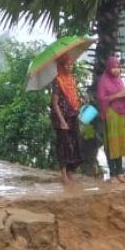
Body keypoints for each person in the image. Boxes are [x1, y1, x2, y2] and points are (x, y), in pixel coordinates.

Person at [94, 55, 125, 183]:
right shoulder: (103, 81)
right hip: (111, 115)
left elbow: (123, 95)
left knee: (121, 144)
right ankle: (112, 174)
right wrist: (118, 95)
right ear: (108, 68)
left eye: (118, 67)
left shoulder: (120, 81)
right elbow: (101, 99)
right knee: (112, 145)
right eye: (114, 67)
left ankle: (120, 173)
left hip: (122, 116)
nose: (116, 70)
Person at [48, 55, 84, 188]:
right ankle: (63, 173)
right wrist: (62, 120)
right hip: (61, 117)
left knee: (74, 143)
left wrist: (80, 102)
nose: (69, 67)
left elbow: (74, 98)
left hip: (72, 115)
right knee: (63, 144)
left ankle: (70, 172)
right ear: (61, 66)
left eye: (71, 65)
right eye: (67, 65)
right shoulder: (57, 81)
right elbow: (55, 103)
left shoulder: (72, 79)